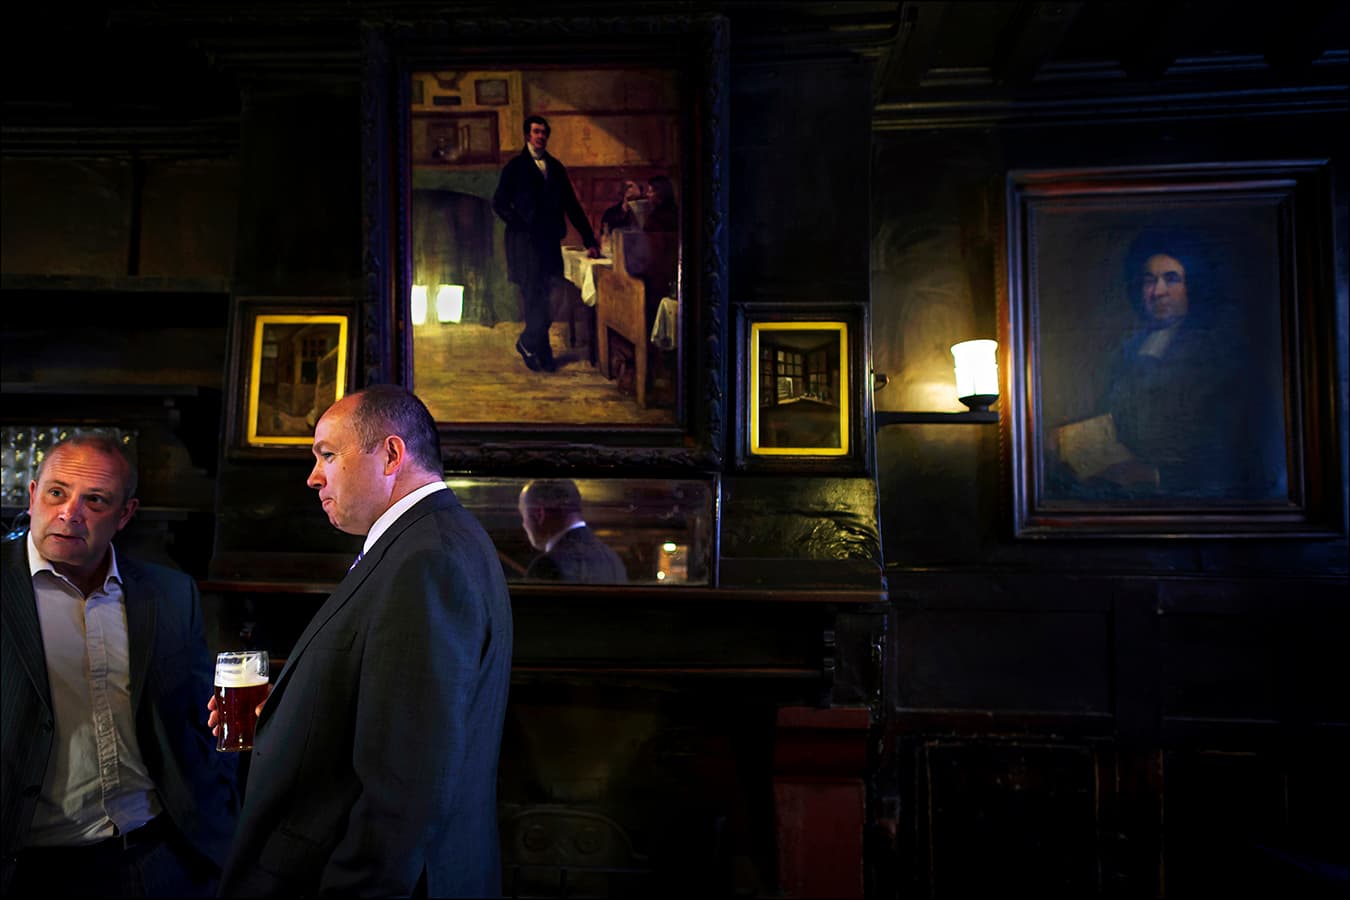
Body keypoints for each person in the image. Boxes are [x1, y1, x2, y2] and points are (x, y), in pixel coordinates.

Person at [215, 385, 513, 898]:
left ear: (391, 454)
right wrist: (285, 711)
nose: (313, 476)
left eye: (327, 455)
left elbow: (406, 789)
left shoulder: (427, 559)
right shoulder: (423, 541)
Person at [1, 434, 238, 898]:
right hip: (26, 866)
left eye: (95, 500)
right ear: (32, 496)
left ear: (125, 514)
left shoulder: (169, 594)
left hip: (154, 859)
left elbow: (199, 722)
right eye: (56, 493)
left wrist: (215, 820)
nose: (71, 513)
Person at [1053, 230, 1280, 499]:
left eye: (1171, 279)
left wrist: (1155, 474)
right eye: (1150, 280)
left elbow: (1231, 452)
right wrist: (1071, 439)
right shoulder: (1129, 351)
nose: (1158, 292)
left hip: (1190, 498)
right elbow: (1114, 418)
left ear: (1193, 286)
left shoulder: (1217, 355)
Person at [492, 114, 601, 373]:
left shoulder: (556, 167)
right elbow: (498, 203)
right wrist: (519, 223)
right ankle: (544, 353)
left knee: (555, 296)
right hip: (525, 244)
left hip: (550, 243)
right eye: (536, 131)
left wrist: (589, 240)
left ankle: (527, 343)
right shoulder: (515, 167)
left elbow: (572, 206)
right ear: (527, 135)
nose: (540, 136)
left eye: (544, 132)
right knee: (533, 299)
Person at [518, 479, 627, 583]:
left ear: (539, 514)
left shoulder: (546, 565)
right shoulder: (612, 559)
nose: (524, 524)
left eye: (523, 515)